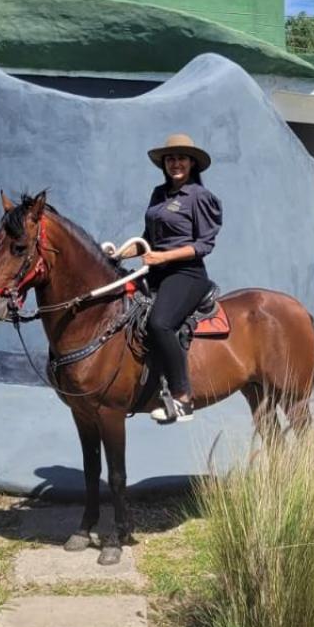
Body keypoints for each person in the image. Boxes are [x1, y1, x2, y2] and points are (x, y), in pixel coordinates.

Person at [135, 134, 223, 423]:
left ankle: (182, 397)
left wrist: (163, 257)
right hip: (156, 271)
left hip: (187, 274)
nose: (175, 163)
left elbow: (204, 245)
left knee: (159, 323)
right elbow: (148, 239)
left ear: (192, 163)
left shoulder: (199, 196)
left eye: (181, 158)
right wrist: (117, 253)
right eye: (170, 158)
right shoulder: (158, 194)